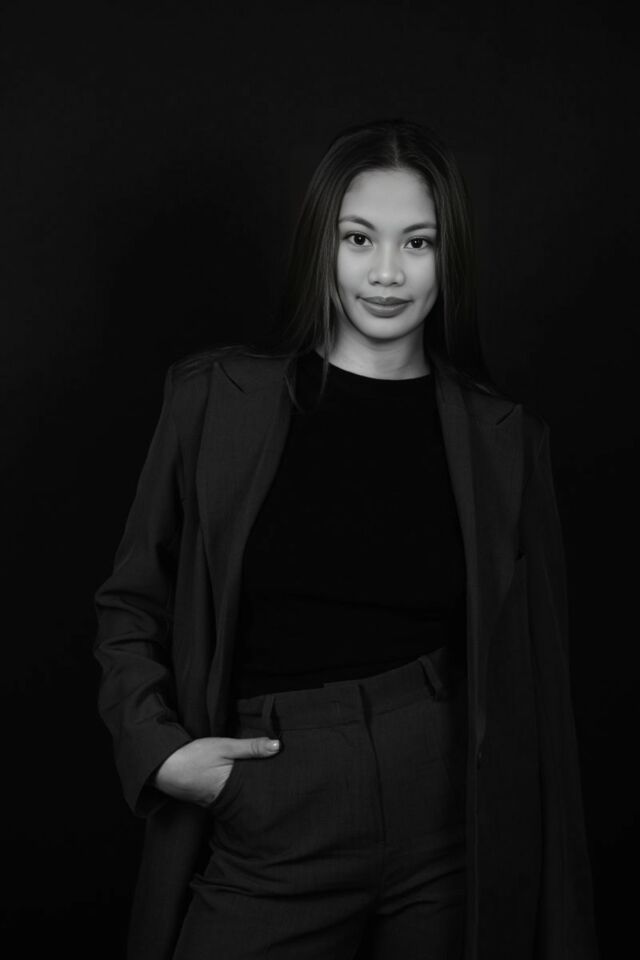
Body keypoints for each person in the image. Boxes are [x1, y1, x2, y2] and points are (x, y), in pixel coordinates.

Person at [93, 118, 599, 960]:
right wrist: (160, 752)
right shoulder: (215, 400)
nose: (388, 273)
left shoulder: (505, 441)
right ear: (321, 246)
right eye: (359, 238)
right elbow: (131, 602)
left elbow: (541, 692)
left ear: (449, 257)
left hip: (448, 813)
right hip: (271, 797)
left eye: (419, 242)